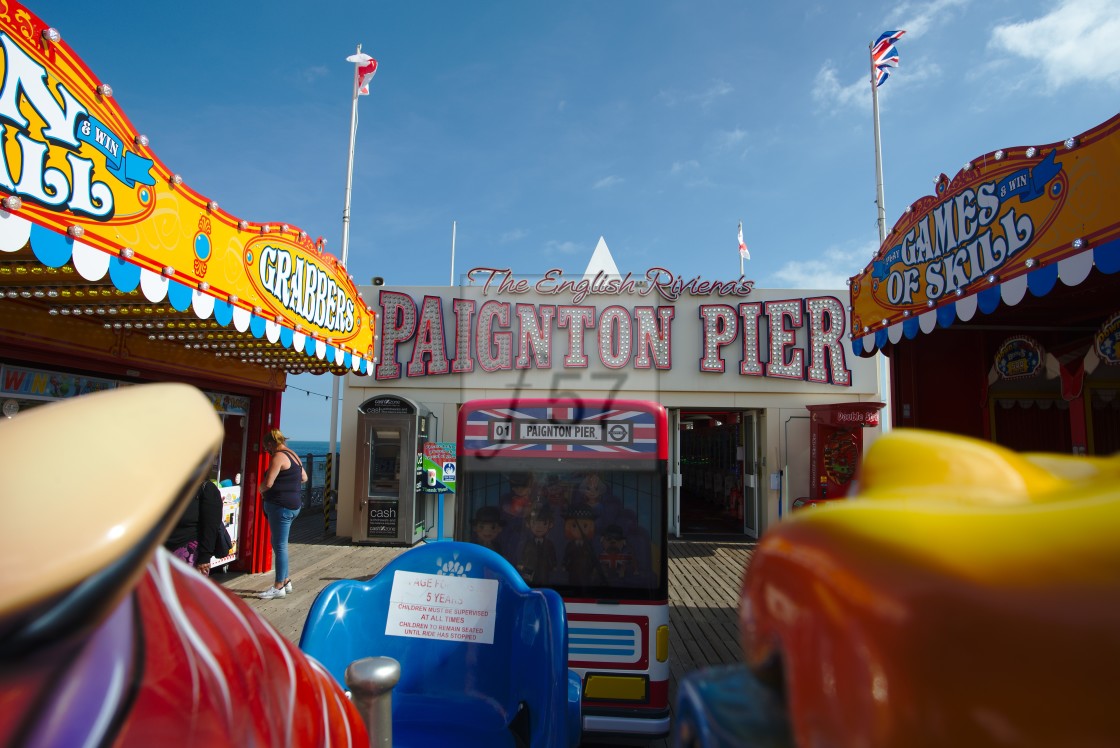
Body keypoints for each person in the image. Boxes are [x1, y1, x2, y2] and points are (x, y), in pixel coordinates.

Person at [259, 428, 307, 599]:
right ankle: (285, 581)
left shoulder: (278, 457)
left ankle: (278, 586)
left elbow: (268, 483)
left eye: (267, 448)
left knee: (280, 546)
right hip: (294, 505)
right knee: (279, 544)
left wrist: (259, 490)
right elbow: (304, 478)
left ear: (271, 444)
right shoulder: (293, 454)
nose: (268, 451)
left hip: (281, 507)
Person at [165, 478, 230, 576]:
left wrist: (205, 557)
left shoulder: (207, 489)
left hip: (190, 553)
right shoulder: (172, 488)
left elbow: (211, 527)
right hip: (165, 550)